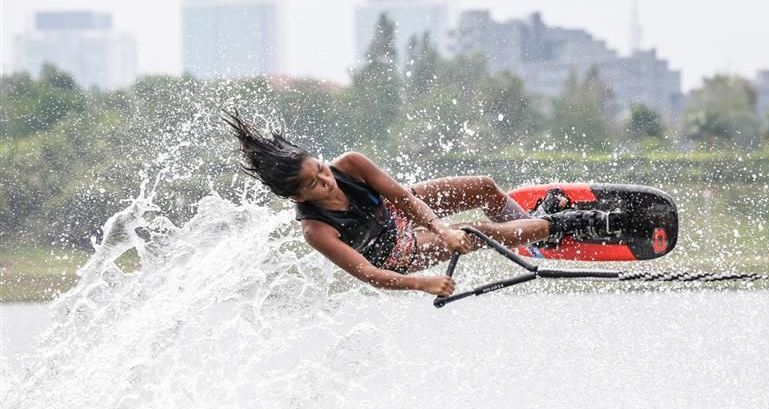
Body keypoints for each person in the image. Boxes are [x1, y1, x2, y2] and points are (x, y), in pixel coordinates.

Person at [223, 110, 619, 297]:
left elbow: (402, 198)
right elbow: (368, 274)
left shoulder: (352, 164)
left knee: (482, 186)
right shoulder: (317, 230)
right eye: (314, 183)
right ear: (297, 196)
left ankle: (530, 229)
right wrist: (423, 282)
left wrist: (440, 229)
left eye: (320, 169)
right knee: (476, 233)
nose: (325, 179)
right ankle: (566, 225)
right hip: (395, 253)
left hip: (396, 212)